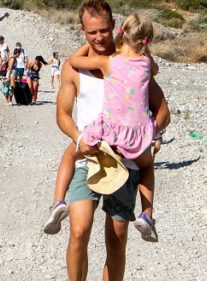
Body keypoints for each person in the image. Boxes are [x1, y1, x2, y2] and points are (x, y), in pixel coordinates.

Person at [47, 0, 169, 281]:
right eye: (92, 32)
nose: (100, 37)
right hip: (90, 158)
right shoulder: (76, 69)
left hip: (126, 165)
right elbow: (63, 115)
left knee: (115, 243)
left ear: (115, 25)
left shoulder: (131, 62)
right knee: (79, 230)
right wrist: (78, 138)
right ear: (83, 31)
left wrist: (150, 136)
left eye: (105, 30)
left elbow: (163, 110)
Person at [68, 12, 159, 243]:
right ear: (146, 40)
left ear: (120, 33)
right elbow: (154, 70)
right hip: (138, 135)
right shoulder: (148, 64)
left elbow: (74, 62)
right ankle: (147, 214)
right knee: (147, 167)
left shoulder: (108, 62)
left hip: (110, 133)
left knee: (72, 151)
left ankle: (58, 201)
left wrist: (86, 42)